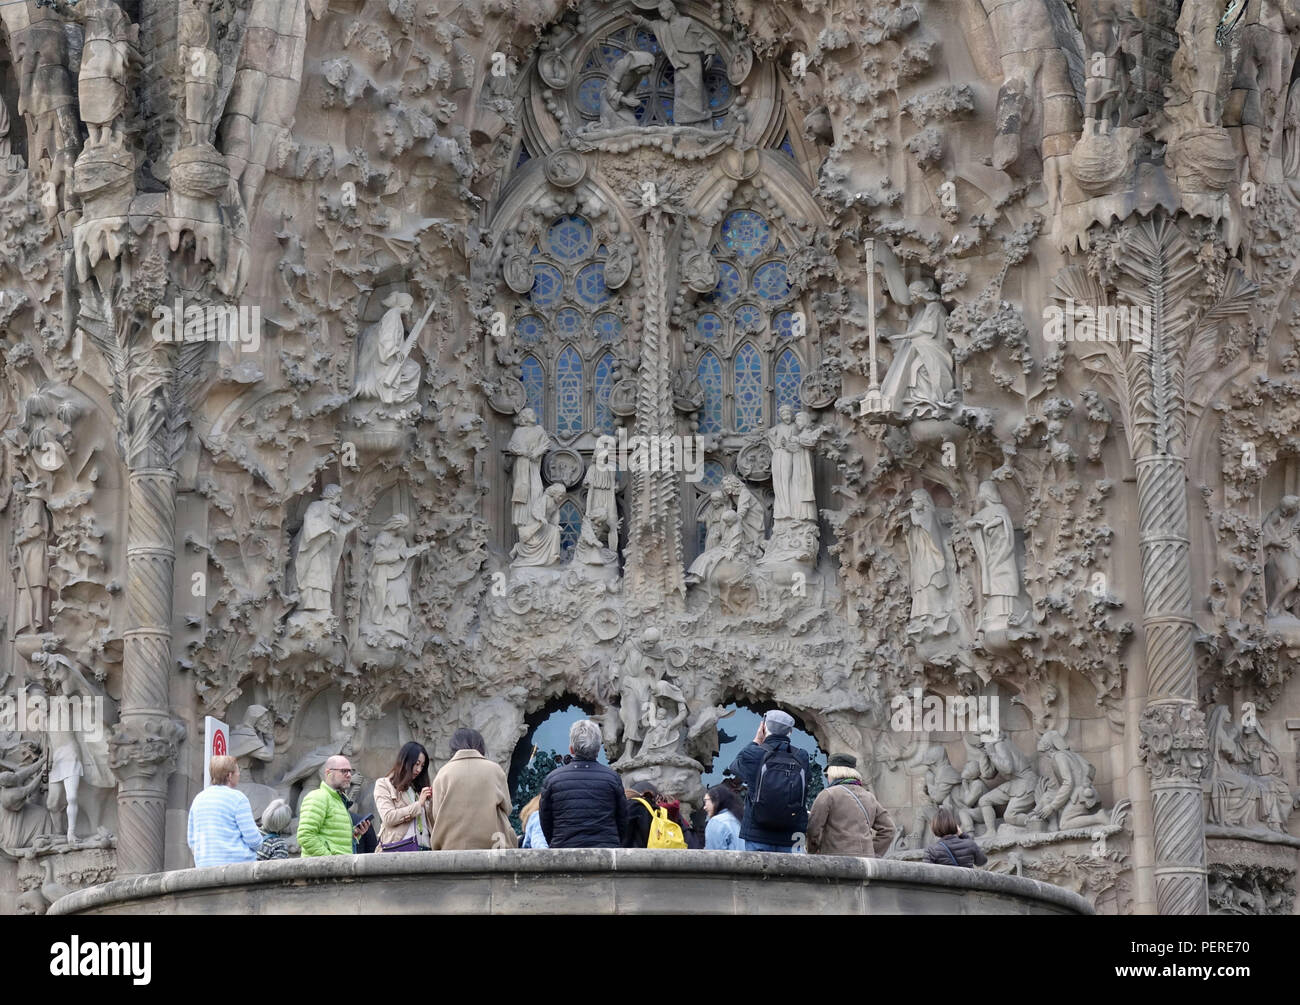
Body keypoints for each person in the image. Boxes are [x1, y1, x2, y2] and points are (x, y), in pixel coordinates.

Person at [726, 710, 810, 852]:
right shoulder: (802, 757)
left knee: (757, 874)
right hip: (791, 834)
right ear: (790, 731)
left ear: (763, 728)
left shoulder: (754, 753)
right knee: (789, 874)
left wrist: (756, 741)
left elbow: (734, 767)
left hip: (758, 833)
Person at [539, 720, 628, 848]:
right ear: (598, 749)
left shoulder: (552, 779)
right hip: (605, 852)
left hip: (564, 851)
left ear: (571, 749)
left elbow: (546, 822)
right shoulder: (612, 778)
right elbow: (623, 819)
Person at [428, 728, 516, 850]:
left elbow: (437, 814)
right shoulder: (494, 770)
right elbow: (507, 808)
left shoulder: (443, 774)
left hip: (452, 847)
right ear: (480, 745)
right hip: (494, 846)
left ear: (453, 746)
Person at [806, 753, 895, 856]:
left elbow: (813, 830)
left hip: (836, 861)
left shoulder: (828, 795)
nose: (827, 778)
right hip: (866, 862)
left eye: (827, 775)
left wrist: (812, 851)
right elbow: (889, 829)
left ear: (833, 772)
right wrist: (871, 851)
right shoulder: (869, 797)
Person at [186, 755, 263, 867]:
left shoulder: (198, 799)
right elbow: (253, 840)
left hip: (204, 866)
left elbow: (191, 841)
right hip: (238, 867)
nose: (239, 774)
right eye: (237, 771)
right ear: (229, 775)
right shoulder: (238, 798)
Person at [297, 755, 369, 856]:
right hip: (325, 869)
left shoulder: (338, 800)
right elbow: (305, 836)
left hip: (338, 868)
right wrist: (331, 860)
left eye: (350, 771)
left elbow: (333, 838)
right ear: (328, 773)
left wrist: (354, 834)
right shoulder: (317, 797)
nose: (349, 775)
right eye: (344, 771)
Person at [373, 742, 434, 851]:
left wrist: (433, 801)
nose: (419, 770)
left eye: (422, 766)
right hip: (399, 848)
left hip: (426, 848)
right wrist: (418, 804)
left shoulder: (419, 789)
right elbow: (388, 817)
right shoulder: (384, 784)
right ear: (405, 761)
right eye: (417, 764)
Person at [704, 783, 744, 850]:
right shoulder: (738, 818)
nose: (704, 807)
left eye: (705, 801)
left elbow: (713, 856)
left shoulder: (717, 822)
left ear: (715, 800)